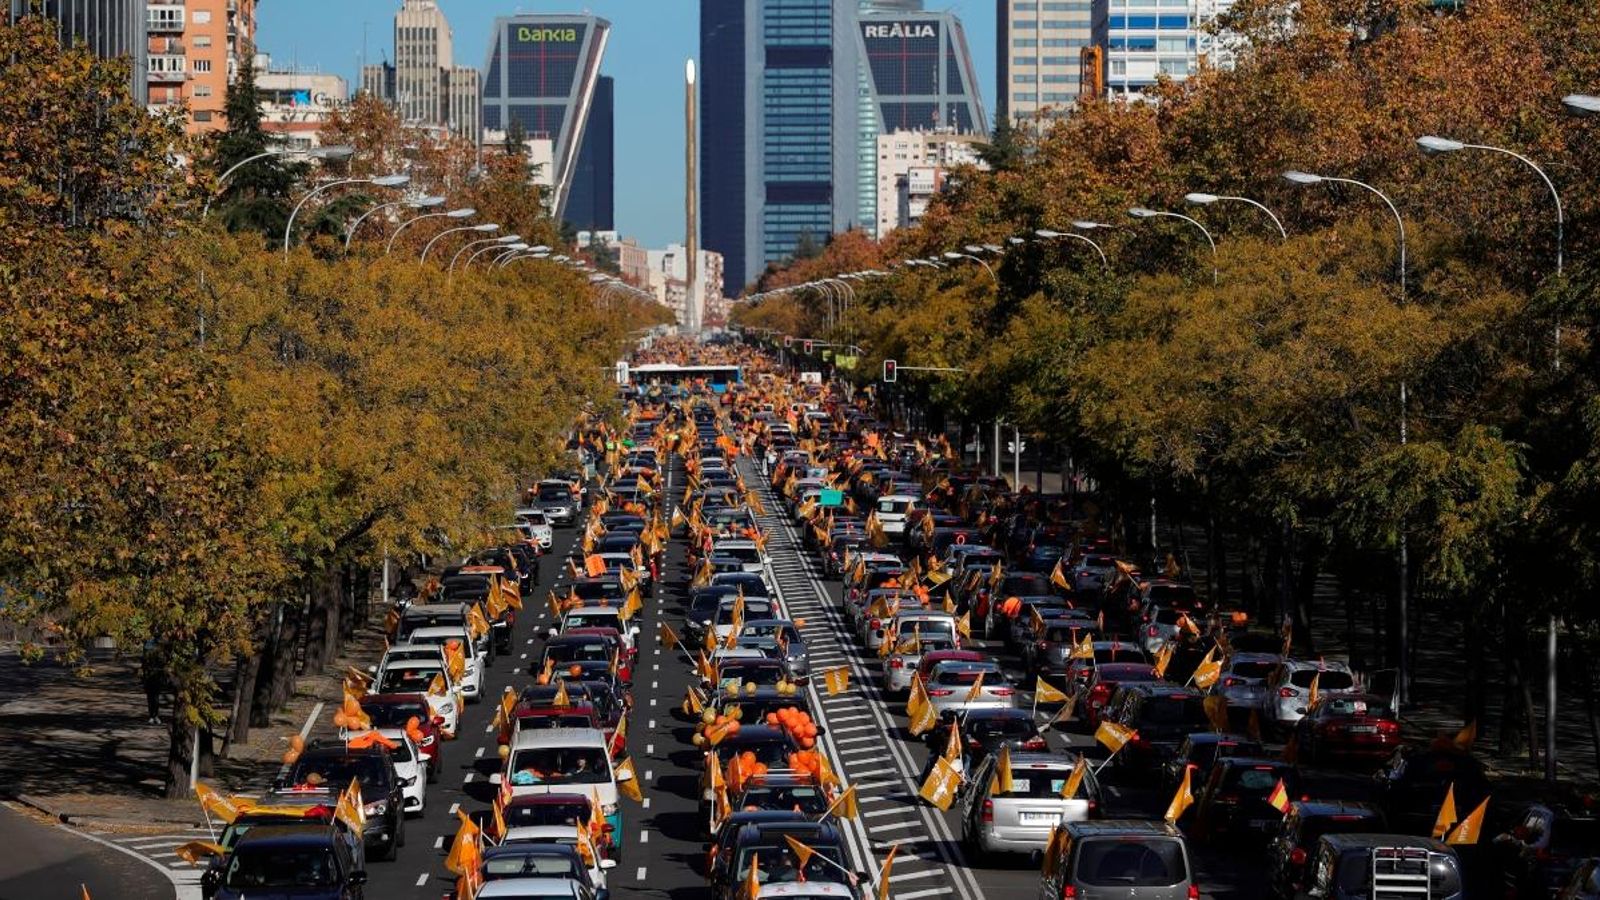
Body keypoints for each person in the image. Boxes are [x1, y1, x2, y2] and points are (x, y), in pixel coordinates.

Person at [140, 642, 164, 725]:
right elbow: (143, 667)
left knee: (155, 698)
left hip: (156, 678)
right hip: (149, 678)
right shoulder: (146, 660)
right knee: (151, 698)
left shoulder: (158, 659)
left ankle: (155, 715)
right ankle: (152, 716)